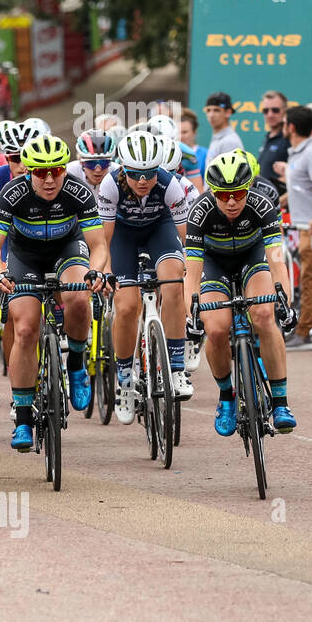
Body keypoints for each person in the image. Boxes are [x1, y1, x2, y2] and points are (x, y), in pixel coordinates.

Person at [0, 135, 111, 452]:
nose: (50, 178)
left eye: (56, 170)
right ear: (28, 171)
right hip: (25, 257)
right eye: (41, 172)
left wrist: (95, 271)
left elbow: (97, 245)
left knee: (80, 296)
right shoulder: (13, 193)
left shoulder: (77, 191)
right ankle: (24, 417)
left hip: (67, 249)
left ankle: (77, 362)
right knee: (25, 328)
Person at [185, 151, 296, 434]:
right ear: (213, 192)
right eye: (223, 196)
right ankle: (226, 396)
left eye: (238, 193)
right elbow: (193, 272)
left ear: (248, 189)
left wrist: (285, 299)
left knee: (263, 314)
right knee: (217, 328)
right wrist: (192, 312)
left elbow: (276, 259)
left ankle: (281, 402)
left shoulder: (263, 205)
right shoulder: (200, 212)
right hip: (214, 263)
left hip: (252, 258)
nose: (231, 201)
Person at [99, 132, 192, 425]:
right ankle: (125, 381)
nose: (143, 181)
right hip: (122, 238)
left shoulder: (170, 184)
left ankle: (176, 368)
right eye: (136, 174)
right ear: (123, 169)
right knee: (126, 306)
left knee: (173, 282)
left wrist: (188, 263)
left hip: (159, 231)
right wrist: (105, 273)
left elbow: (185, 237)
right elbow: (104, 240)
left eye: (149, 174)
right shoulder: (110, 184)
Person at [280, 106, 312, 350]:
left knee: (310, 278)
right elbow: (300, 189)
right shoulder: (299, 153)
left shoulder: (309, 153)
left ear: (292, 127)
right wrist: (277, 203)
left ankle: (303, 332)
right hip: (310, 224)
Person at [257, 90, 289, 194]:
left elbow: (300, 178)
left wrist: (279, 201)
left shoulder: (290, 138)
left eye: (275, 110)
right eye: (266, 111)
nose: (270, 115)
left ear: (285, 111)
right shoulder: (267, 137)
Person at [203, 92, 244, 164]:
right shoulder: (218, 138)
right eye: (208, 110)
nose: (211, 115)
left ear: (228, 112)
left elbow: (230, 174)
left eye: (216, 110)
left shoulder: (230, 142)